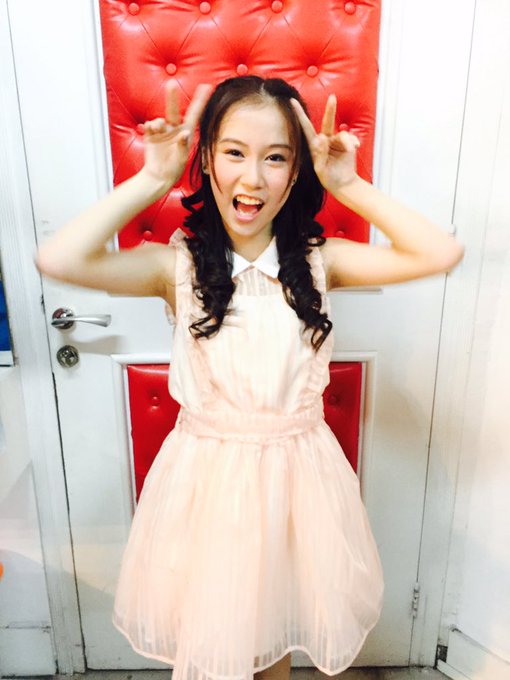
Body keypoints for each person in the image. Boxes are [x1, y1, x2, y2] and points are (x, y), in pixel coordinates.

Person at [36, 76, 464, 680]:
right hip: (208, 484)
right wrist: (153, 178)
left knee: (274, 635)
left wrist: (349, 184)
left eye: (276, 158)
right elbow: (57, 259)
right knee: (216, 634)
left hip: (298, 483)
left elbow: (439, 253)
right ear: (207, 159)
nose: (253, 178)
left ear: (296, 172)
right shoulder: (176, 266)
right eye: (234, 152)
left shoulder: (321, 262)